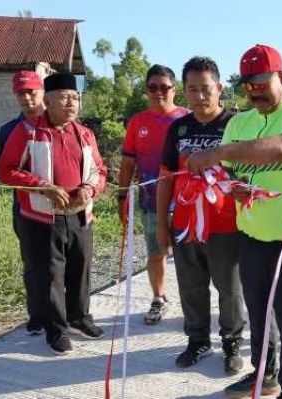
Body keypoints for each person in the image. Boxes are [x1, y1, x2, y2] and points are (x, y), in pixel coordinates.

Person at [187, 44, 282, 399]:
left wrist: (219, 151)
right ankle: (266, 375)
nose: (255, 91)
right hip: (250, 235)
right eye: (248, 85)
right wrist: (234, 189)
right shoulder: (238, 122)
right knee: (260, 314)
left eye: (262, 82)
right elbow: (230, 174)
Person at [0, 73, 108, 355]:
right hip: (42, 217)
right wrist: (43, 187)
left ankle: (79, 318)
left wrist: (89, 189)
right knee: (50, 275)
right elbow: (6, 170)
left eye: (76, 98)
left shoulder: (84, 133)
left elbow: (100, 171)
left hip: (80, 214)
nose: (71, 103)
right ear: (47, 101)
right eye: (64, 97)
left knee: (80, 268)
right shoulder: (28, 132)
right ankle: (55, 330)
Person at [155, 56, 245, 375]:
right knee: (191, 288)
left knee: (230, 289)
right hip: (184, 227)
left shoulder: (237, 124)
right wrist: (162, 227)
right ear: (184, 92)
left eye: (206, 88)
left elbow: (249, 175)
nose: (200, 96)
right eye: (192, 89)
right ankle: (197, 341)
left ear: (220, 88)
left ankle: (232, 344)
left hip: (227, 226)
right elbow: (166, 177)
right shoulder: (178, 128)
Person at [118, 64, 190, 325]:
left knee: (189, 256)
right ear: (146, 90)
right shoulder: (138, 122)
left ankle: (194, 305)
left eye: (164, 87)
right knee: (156, 252)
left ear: (174, 90)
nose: (158, 92)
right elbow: (127, 164)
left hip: (187, 202)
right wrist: (122, 197)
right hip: (150, 201)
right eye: (152, 87)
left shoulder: (187, 119)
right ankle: (159, 298)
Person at [0, 70, 46, 335]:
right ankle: (37, 316)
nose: (27, 98)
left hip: (63, 208)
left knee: (67, 262)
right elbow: (4, 173)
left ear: (42, 91)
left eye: (31, 91)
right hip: (27, 209)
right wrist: (38, 185)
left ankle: (69, 314)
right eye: (21, 93)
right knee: (34, 263)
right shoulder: (8, 132)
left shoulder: (60, 123)